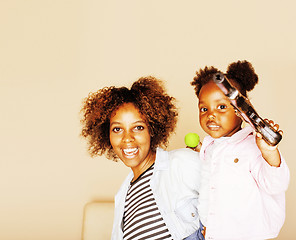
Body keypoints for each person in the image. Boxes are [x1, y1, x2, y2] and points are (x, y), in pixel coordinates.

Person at [80, 76, 202, 240]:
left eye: (138, 127)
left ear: (152, 129)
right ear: (106, 134)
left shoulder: (182, 163)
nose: (127, 138)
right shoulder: (123, 197)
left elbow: (234, 204)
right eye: (117, 129)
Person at [190, 60, 290, 240]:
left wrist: (269, 153)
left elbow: (277, 184)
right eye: (204, 108)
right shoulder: (210, 146)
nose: (210, 114)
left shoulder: (253, 145)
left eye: (221, 107)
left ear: (242, 110)